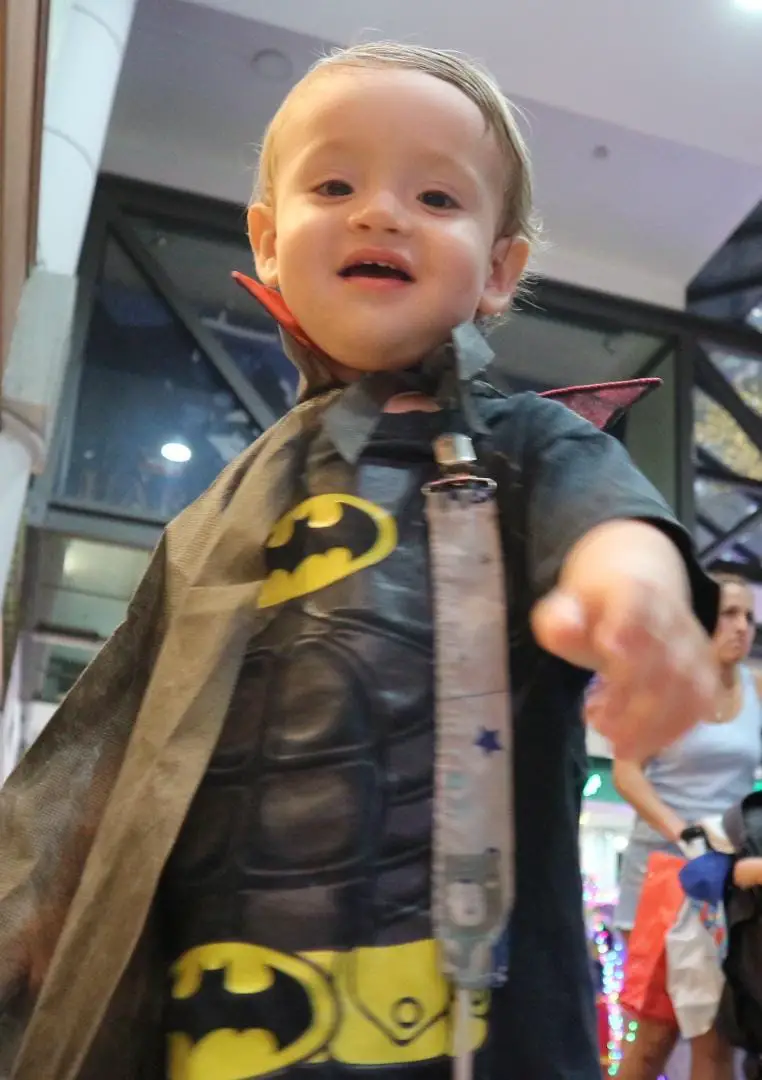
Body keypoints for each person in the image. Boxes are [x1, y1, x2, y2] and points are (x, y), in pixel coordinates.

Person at [0, 42, 719, 1080]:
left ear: (499, 270)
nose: (380, 213)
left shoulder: (526, 446)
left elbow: (607, 520)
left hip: (473, 1035)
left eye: (436, 196)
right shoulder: (218, 515)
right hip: (214, 1026)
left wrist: (634, 587)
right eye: (334, 186)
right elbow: (103, 756)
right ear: (268, 239)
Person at [612, 574, 761, 1080]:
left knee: (719, 1038)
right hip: (663, 877)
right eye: (729, 614)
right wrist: (685, 834)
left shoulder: (756, 688)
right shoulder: (661, 686)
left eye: (749, 617)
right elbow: (626, 772)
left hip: (728, 881)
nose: (742, 627)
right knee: (653, 1040)